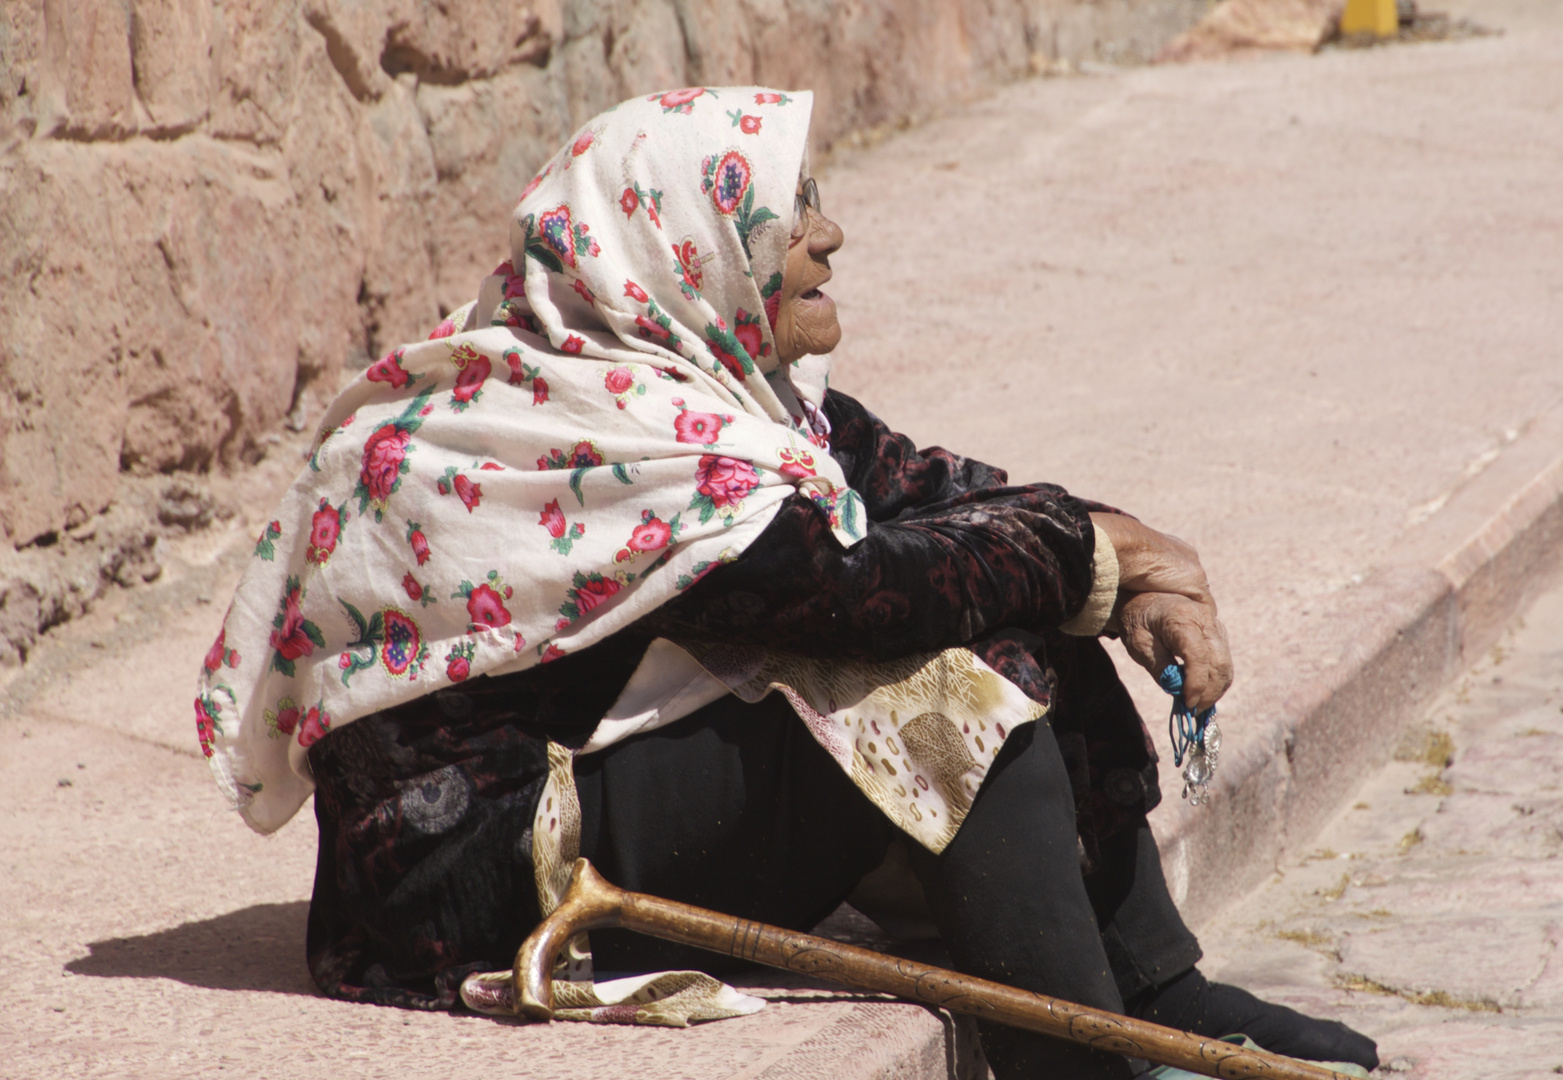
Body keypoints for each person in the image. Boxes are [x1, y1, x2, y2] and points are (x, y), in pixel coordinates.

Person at [196, 86, 1378, 1079]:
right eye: (789, 208)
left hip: (601, 788)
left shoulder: (708, 392)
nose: (830, 235)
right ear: (680, 242)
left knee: (1010, 615)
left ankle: (1157, 992)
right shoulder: (565, 424)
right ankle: (1074, 1059)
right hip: (478, 885)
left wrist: (1121, 556)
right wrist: (1099, 558)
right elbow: (856, 590)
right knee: (950, 680)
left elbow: (932, 493)